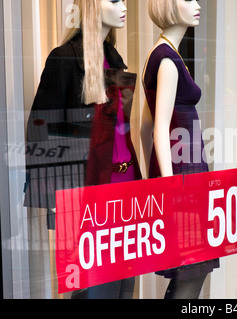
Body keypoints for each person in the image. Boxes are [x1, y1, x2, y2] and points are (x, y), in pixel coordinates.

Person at [24, 0, 141, 299]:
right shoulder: (64, 59)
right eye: (114, 0)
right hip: (87, 190)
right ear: (90, 6)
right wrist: (55, 197)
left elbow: (120, 133)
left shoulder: (115, 60)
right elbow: (41, 130)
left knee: (124, 285)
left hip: (125, 186)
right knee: (89, 287)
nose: (124, 5)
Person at [141, 0, 219, 299]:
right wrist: (171, 184)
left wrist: (157, 177)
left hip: (181, 169)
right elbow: (157, 126)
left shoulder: (160, 55)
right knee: (192, 267)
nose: (197, 5)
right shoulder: (166, 61)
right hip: (182, 171)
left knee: (189, 267)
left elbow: (145, 127)